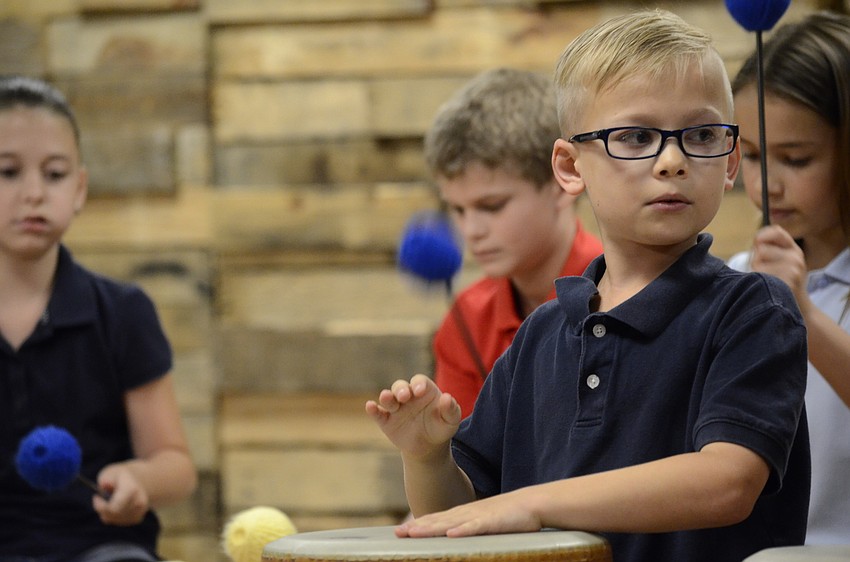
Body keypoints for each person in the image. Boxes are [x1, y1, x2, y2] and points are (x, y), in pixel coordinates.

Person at [366, 9, 810, 562]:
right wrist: (428, 458)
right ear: (570, 167)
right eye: (635, 136)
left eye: (700, 134)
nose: (672, 160)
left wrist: (531, 504)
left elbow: (727, 481)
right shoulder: (540, 334)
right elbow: (458, 514)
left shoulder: (755, 308)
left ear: (729, 162)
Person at [0, 75, 197, 562]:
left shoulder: (123, 312)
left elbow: (176, 466)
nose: (33, 194)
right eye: (7, 171)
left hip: (101, 546)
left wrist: (140, 480)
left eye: (55, 174)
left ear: (81, 189)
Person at [727, 11, 850, 546]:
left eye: (796, 159)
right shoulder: (735, 278)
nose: (766, 185)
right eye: (751, 157)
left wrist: (803, 312)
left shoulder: (799, 298)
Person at [425, 67, 602, 418]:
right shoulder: (468, 318)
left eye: (491, 206)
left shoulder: (623, 292)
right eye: (457, 209)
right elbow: (462, 464)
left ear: (561, 181)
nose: (471, 230)